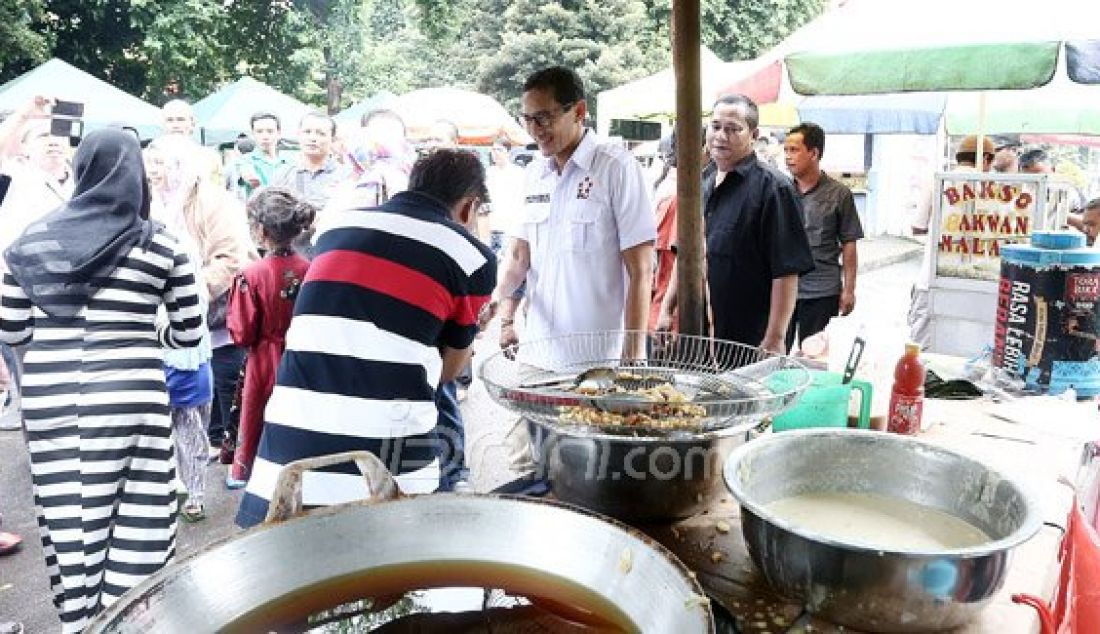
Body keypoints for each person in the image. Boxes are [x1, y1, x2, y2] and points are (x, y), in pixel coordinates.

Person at [0, 129, 204, 632]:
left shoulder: (29, 241)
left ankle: (80, 623)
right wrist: (141, 326)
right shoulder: (160, 243)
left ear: (81, 170)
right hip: (131, 394)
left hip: (48, 397)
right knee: (141, 514)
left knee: (71, 514)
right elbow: (188, 334)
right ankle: (131, 622)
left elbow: (12, 329)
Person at [236, 149, 495, 527]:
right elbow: (448, 371)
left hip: (292, 437)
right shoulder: (472, 256)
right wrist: (472, 331)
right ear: (470, 207)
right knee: (396, 566)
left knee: (286, 561)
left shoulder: (336, 227)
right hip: (390, 450)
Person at [489, 66, 655, 357]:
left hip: (596, 357)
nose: (535, 130)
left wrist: (632, 355)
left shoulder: (617, 168)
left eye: (544, 117)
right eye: (527, 119)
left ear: (578, 111)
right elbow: (518, 258)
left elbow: (640, 269)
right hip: (538, 351)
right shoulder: (533, 173)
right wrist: (495, 302)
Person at [658, 94, 813, 353]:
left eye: (733, 129)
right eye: (716, 127)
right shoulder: (700, 184)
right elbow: (685, 253)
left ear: (754, 135)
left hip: (751, 339)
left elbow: (786, 272)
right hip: (699, 337)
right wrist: (666, 309)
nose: (720, 136)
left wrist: (775, 336)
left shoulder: (774, 189)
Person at [146, 135, 257, 461]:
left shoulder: (213, 201)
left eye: (159, 163)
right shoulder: (154, 199)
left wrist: (188, 292)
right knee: (188, 385)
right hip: (176, 308)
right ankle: (207, 441)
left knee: (227, 378)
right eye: (149, 162)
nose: (152, 171)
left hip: (218, 308)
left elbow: (230, 258)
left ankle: (236, 452)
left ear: (180, 166)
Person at [145, 143, 215, 522]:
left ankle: (195, 492)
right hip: (158, 348)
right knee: (163, 428)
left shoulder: (184, 231)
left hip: (183, 349)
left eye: (166, 164)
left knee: (191, 427)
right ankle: (177, 487)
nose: (158, 172)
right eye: (152, 164)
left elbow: (195, 297)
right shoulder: (144, 219)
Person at [226, 188, 313, 486]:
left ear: (260, 231)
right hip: (302, 358)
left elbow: (242, 332)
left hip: (264, 360)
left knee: (259, 416)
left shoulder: (251, 275)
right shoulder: (311, 269)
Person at [782, 122, 863, 350]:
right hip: (783, 290)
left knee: (815, 356)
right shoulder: (780, 191)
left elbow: (849, 243)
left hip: (821, 291)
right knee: (774, 355)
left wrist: (849, 290)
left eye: (794, 150)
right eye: (786, 150)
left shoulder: (839, 194)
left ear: (814, 153)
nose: (788, 157)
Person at [907, 134, 993, 345]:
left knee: (922, 349)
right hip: (978, 284)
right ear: (986, 159)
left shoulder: (938, 181)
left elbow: (917, 227)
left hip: (932, 279)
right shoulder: (995, 186)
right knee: (965, 348)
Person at [235, 111, 288, 199]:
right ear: (252, 134)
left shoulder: (290, 162)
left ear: (279, 133)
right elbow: (247, 173)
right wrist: (249, 176)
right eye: (259, 131)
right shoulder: (245, 160)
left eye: (270, 131)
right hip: (258, 211)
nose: (265, 136)